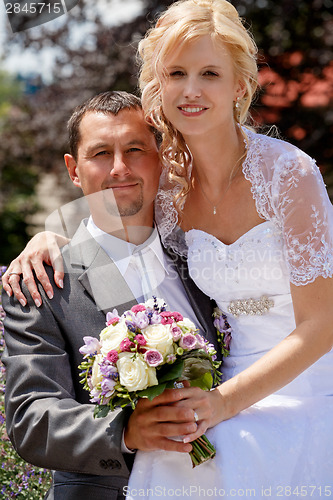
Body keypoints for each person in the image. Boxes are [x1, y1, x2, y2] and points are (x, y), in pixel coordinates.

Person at [3, 0, 333, 495]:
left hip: (296, 383)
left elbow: (322, 322)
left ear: (240, 85)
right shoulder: (168, 189)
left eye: (209, 73)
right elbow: (107, 210)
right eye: (177, 72)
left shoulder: (288, 176)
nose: (192, 89)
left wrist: (221, 402)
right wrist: (48, 236)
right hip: (193, 419)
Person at [1, 90, 221, 499]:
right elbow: (31, 418)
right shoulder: (40, 282)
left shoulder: (206, 261)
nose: (120, 168)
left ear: (160, 158)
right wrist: (125, 431)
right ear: (74, 169)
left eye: (136, 148)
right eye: (101, 153)